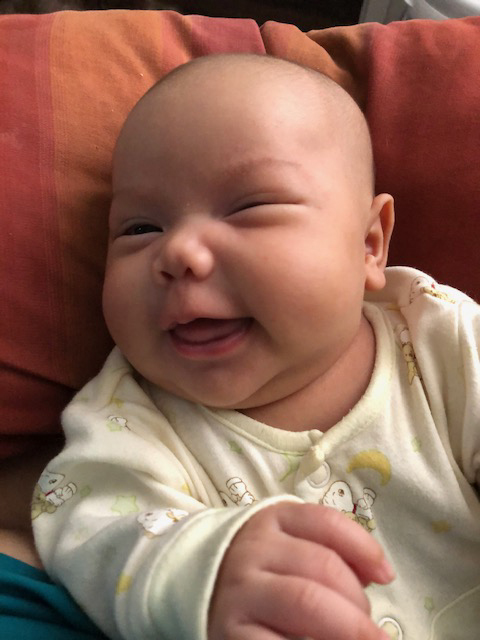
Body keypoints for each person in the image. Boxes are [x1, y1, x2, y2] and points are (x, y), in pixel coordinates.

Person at [31, 53, 480, 640]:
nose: (178, 252)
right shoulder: (127, 423)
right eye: (141, 228)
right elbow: (96, 532)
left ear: (369, 244)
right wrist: (204, 574)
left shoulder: (441, 339)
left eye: (251, 207)